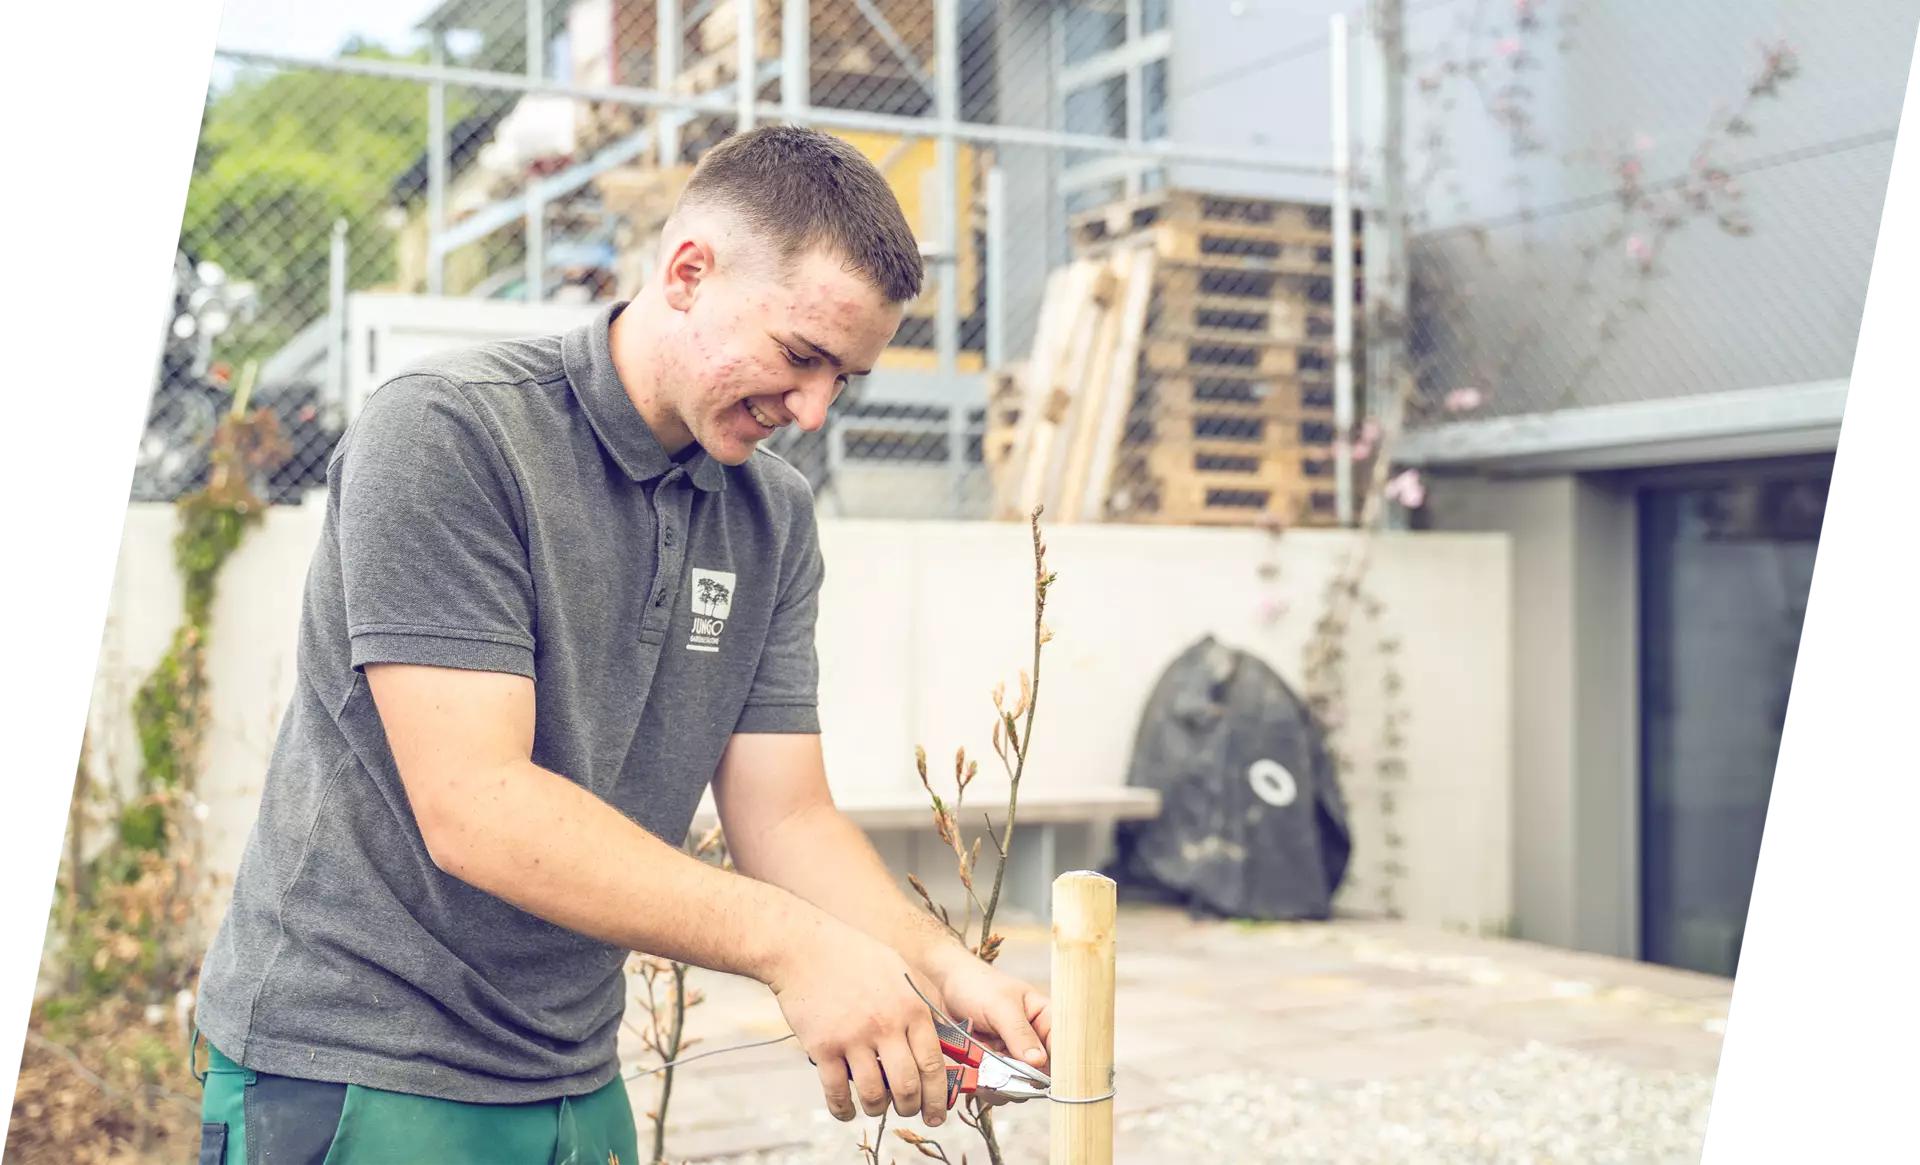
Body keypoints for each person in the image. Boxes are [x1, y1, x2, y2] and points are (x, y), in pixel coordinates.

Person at [190, 124, 1052, 1165]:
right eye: (800, 356)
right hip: (361, 1066)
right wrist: (795, 945)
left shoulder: (770, 515)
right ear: (687, 272)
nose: (815, 411)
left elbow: (786, 814)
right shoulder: (451, 433)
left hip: (573, 1073)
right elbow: (476, 807)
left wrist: (941, 964)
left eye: (847, 378)